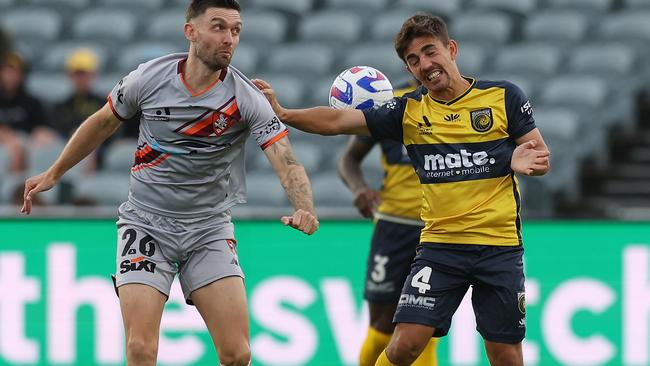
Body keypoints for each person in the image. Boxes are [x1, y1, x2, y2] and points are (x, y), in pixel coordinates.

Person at [22, 1, 319, 365]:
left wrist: (305, 206)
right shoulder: (149, 78)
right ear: (190, 32)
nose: (229, 39)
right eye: (219, 27)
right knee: (141, 349)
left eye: (236, 30)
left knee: (238, 354)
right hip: (146, 224)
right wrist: (54, 172)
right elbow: (102, 122)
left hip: (208, 229)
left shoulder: (247, 97)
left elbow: (285, 159)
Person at [253, 13, 550, 366]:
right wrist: (284, 113)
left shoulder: (504, 97)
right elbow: (336, 121)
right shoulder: (406, 111)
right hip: (441, 248)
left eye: (430, 52)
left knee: (505, 356)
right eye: (413, 60)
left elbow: (540, 157)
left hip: (499, 248)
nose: (425, 64)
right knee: (403, 345)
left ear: (451, 49)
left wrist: (519, 162)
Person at [338, 78, 438, 366]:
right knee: (381, 327)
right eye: (415, 57)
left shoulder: (462, 105)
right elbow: (349, 159)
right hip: (394, 226)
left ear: (450, 52)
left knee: (425, 327)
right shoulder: (390, 104)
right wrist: (359, 189)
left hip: (439, 230)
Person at [0, 51, 49, 172]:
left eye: (15, 72)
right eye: (7, 71)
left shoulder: (32, 102)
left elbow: (42, 131)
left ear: (22, 75)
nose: (10, 76)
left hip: (27, 146)